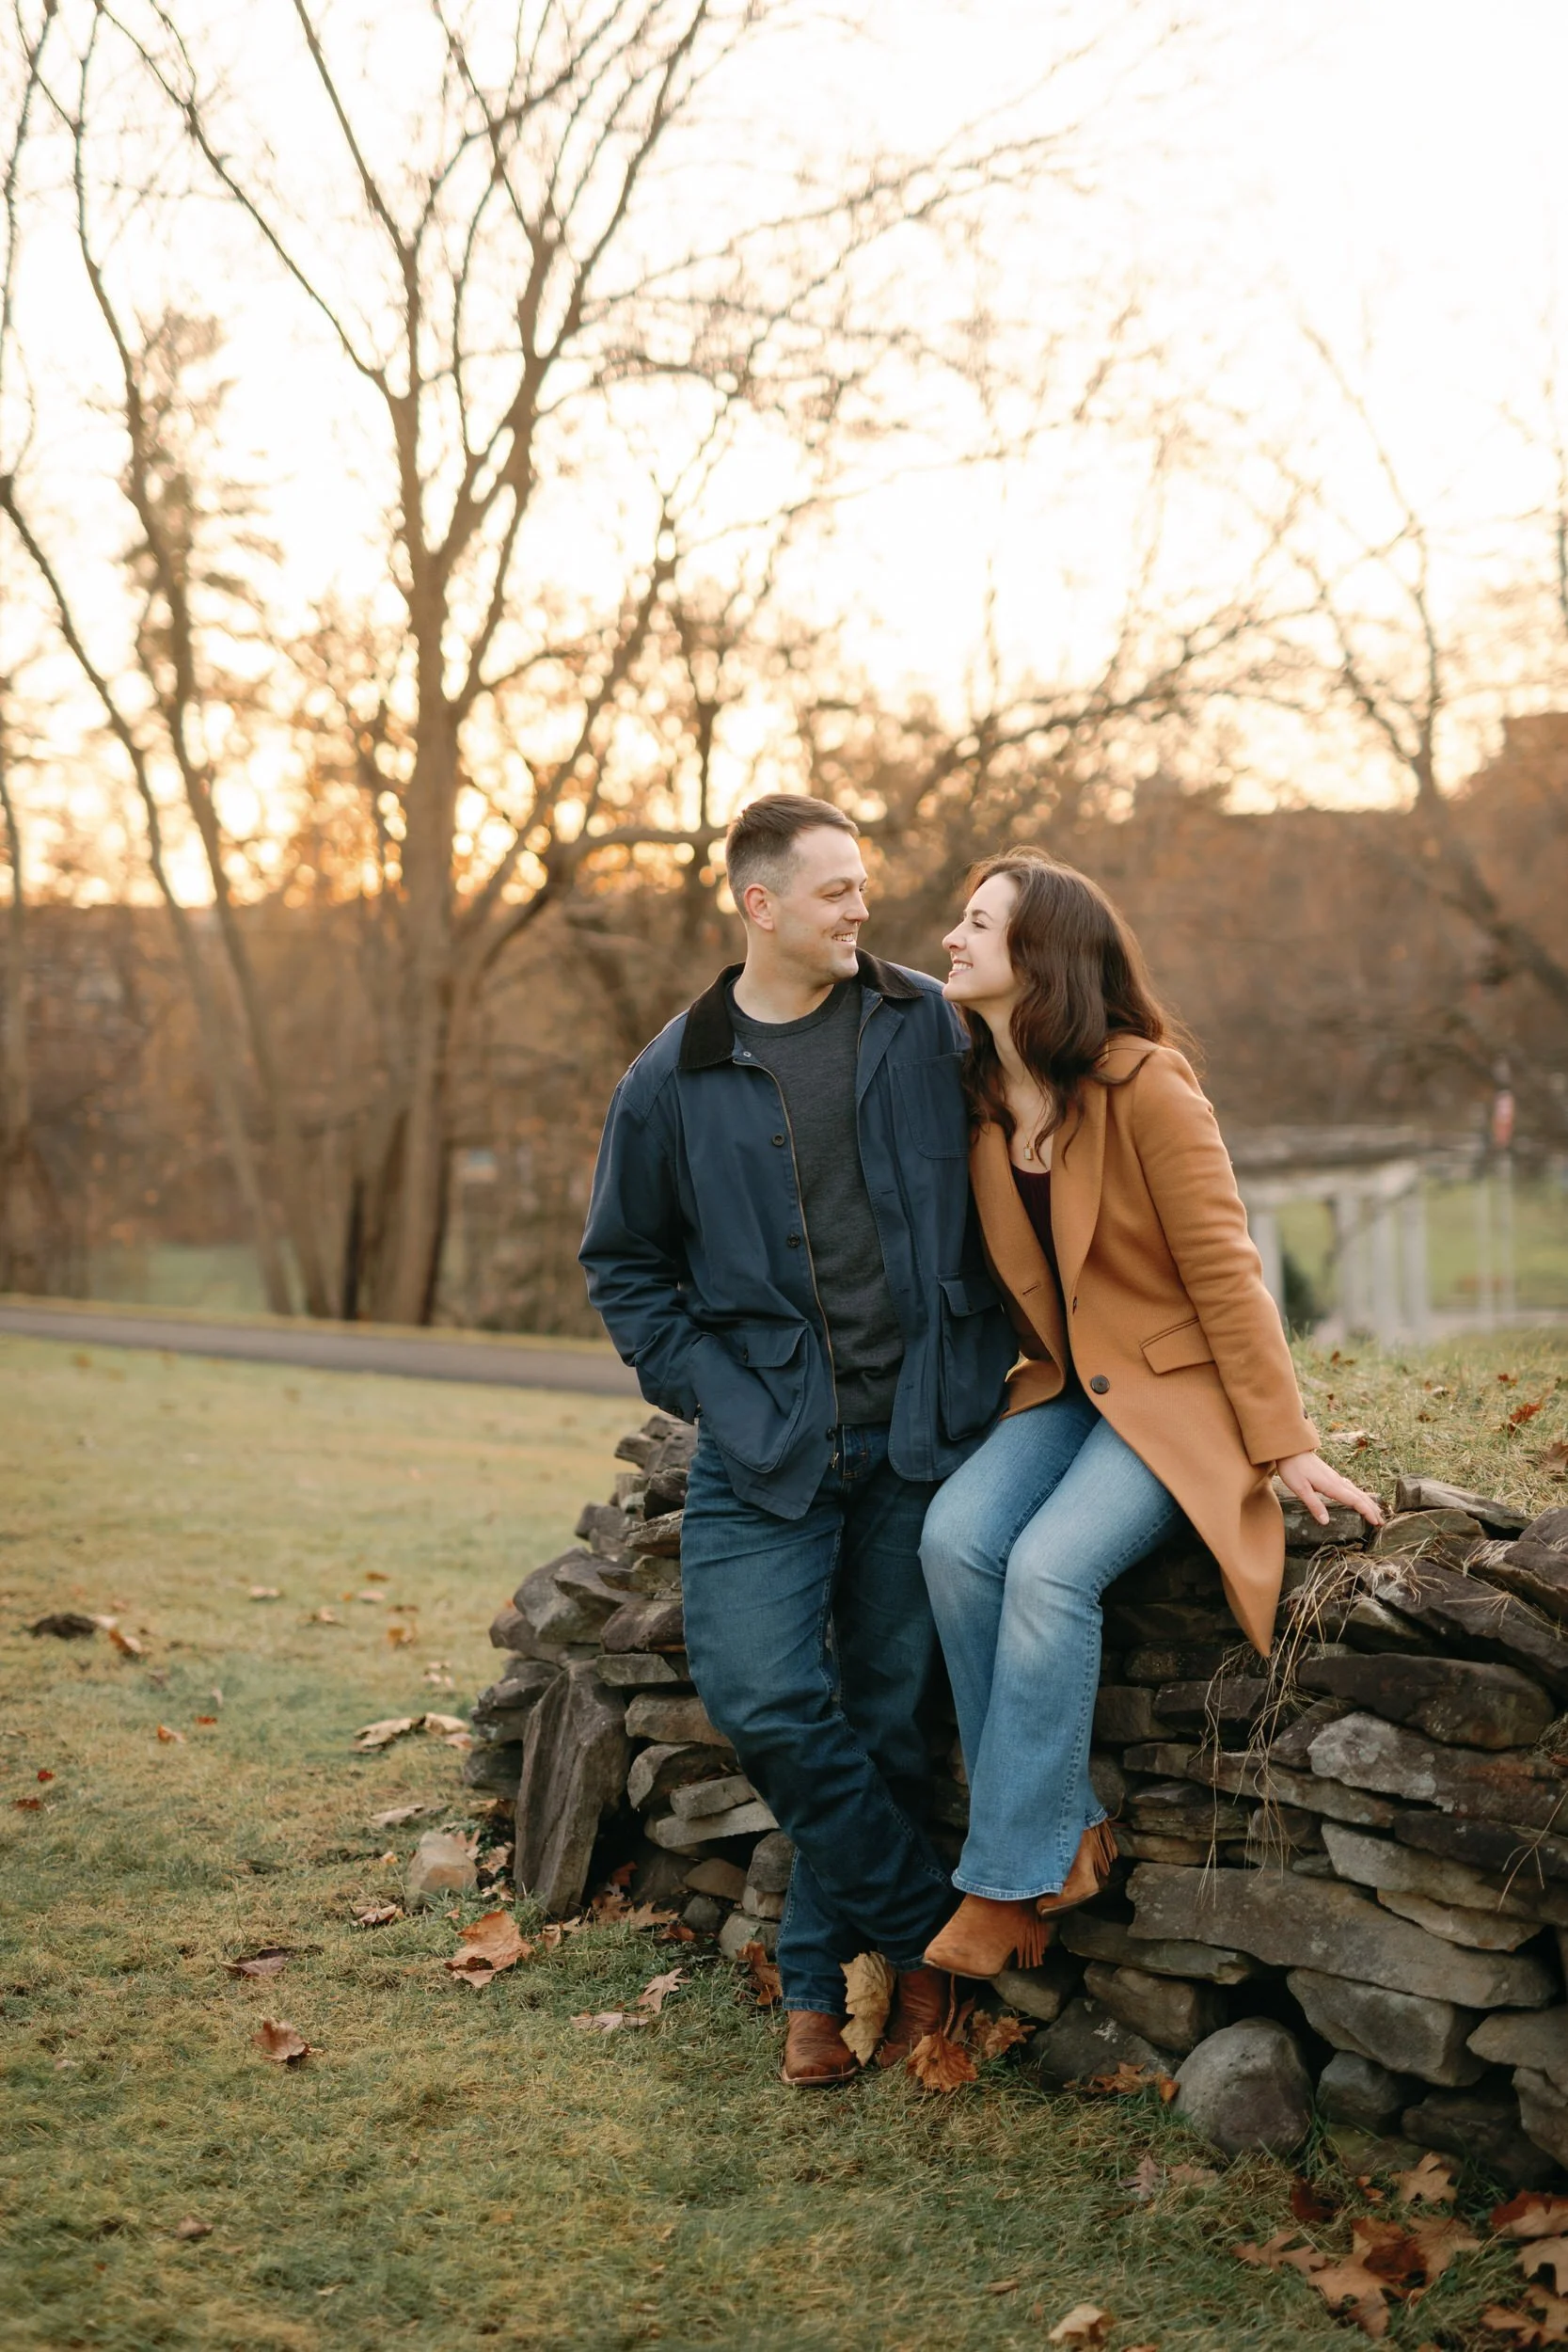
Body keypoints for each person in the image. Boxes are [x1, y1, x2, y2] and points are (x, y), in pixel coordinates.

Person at [578, 794, 1015, 2084]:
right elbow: (625, 1269)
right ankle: (926, 1932)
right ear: (757, 905)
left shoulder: (922, 1027)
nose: (860, 909)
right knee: (763, 1691)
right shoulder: (670, 1078)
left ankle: (815, 2001)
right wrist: (710, 1388)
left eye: (860, 887)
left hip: (921, 1431)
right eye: (833, 891)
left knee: (879, 1716)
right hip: (764, 1446)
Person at [919, 850, 1383, 1979]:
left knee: (1047, 1568)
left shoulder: (1145, 1085)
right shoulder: (982, 1101)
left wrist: (1285, 1443)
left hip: (1173, 1396)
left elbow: (1227, 1270)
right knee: (953, 1540)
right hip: (1063, 1391)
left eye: (978, 924)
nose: (951, 939)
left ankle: (1006, 1880)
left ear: (1040, 957)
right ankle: (1062, 1828)